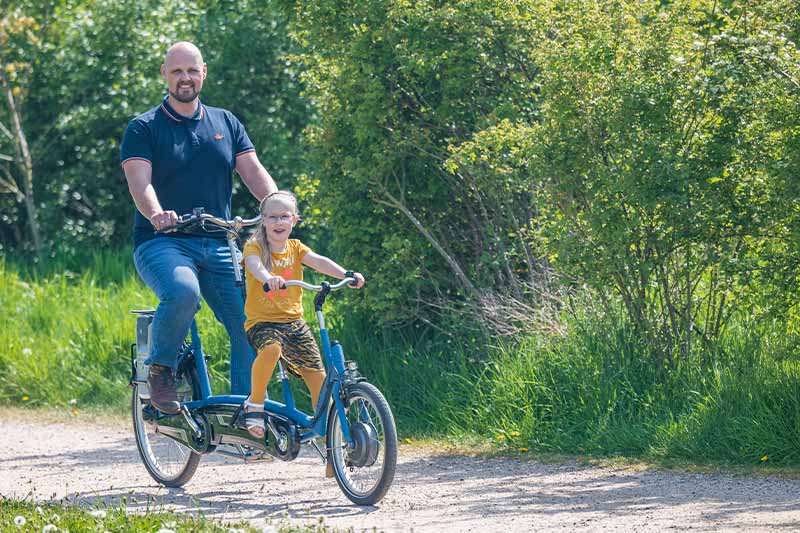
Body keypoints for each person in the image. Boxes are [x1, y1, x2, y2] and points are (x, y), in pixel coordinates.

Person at [120, 42, 278, 414]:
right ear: (164, 74)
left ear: (204, 72)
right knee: (182, 292)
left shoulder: (226, 122)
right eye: (177, 71)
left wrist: (276, 206)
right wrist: (157, 213)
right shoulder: (144, 127)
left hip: (219, 241)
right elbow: (140, 183)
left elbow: (253, 172)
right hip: (163, 242)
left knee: (250, 322)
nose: (185, 78)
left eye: (191, 70)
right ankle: (161, 370)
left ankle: (250, 416)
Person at [241, 190, 364, 451]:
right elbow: (253, 265)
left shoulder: (296, 248)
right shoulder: (255, 247)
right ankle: (255, 404)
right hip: (262, 322)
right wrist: (267, 278)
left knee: (318, 376)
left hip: (294, 323)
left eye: (284, 216)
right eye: (272, 217)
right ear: (263, 220)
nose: (278, 222)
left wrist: (346, 274)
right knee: (271, 349)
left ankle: (333, 435)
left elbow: (318, 261)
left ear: (294, 220)